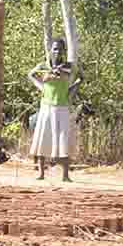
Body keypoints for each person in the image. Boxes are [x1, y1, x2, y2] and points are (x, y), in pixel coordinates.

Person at [27, 38, 79, 182]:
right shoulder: (44, 66)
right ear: (50, 51)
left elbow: (80, 78)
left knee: (64, 139)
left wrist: (71, 92)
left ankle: (65, 175)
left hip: (62, 107)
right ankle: (41, 173)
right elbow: (30, 75)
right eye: (55, 49)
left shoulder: (68, 67)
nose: (58, 52)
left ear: (64, 51)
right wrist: (41, 86)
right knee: (44, 139)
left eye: (61, 49)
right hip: (46, 106)